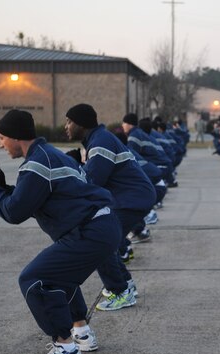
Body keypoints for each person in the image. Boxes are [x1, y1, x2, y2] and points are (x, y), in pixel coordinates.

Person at [0, 109, 122, 354]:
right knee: (61, 276)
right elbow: (34, 197)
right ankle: (81, 333)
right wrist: (7, 190)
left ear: (15, 136)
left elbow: (14, 211)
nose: (0, 144)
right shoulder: (51, 154)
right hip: (103, 226)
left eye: (2, 138)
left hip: (90, 231)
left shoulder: (37, 164)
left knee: (33, 279)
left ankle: (65, 348)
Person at [63, 103, 156, 310]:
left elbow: (92, 182)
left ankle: (121, 292)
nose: (66, 126)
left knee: (98, 241)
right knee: (106, 241)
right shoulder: (98, 139)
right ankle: (126, 285)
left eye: (69, 121)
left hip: (131, 199)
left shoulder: (100, 142)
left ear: (81, 124)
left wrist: (74, 166)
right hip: (129, 198)